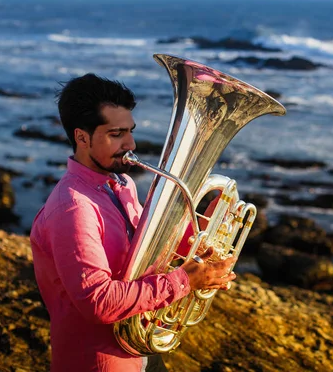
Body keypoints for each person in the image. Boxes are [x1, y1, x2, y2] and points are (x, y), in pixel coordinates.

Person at [29, 73, 237, 372]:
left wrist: (206, 235)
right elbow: (98, 301)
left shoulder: (121, 183)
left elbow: (148, 255)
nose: (131, 143)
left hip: (140, 349)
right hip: (102, 362)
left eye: (130, 130)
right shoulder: (73, 207)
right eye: (116, 134)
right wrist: (186, 281)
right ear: (82, 137)